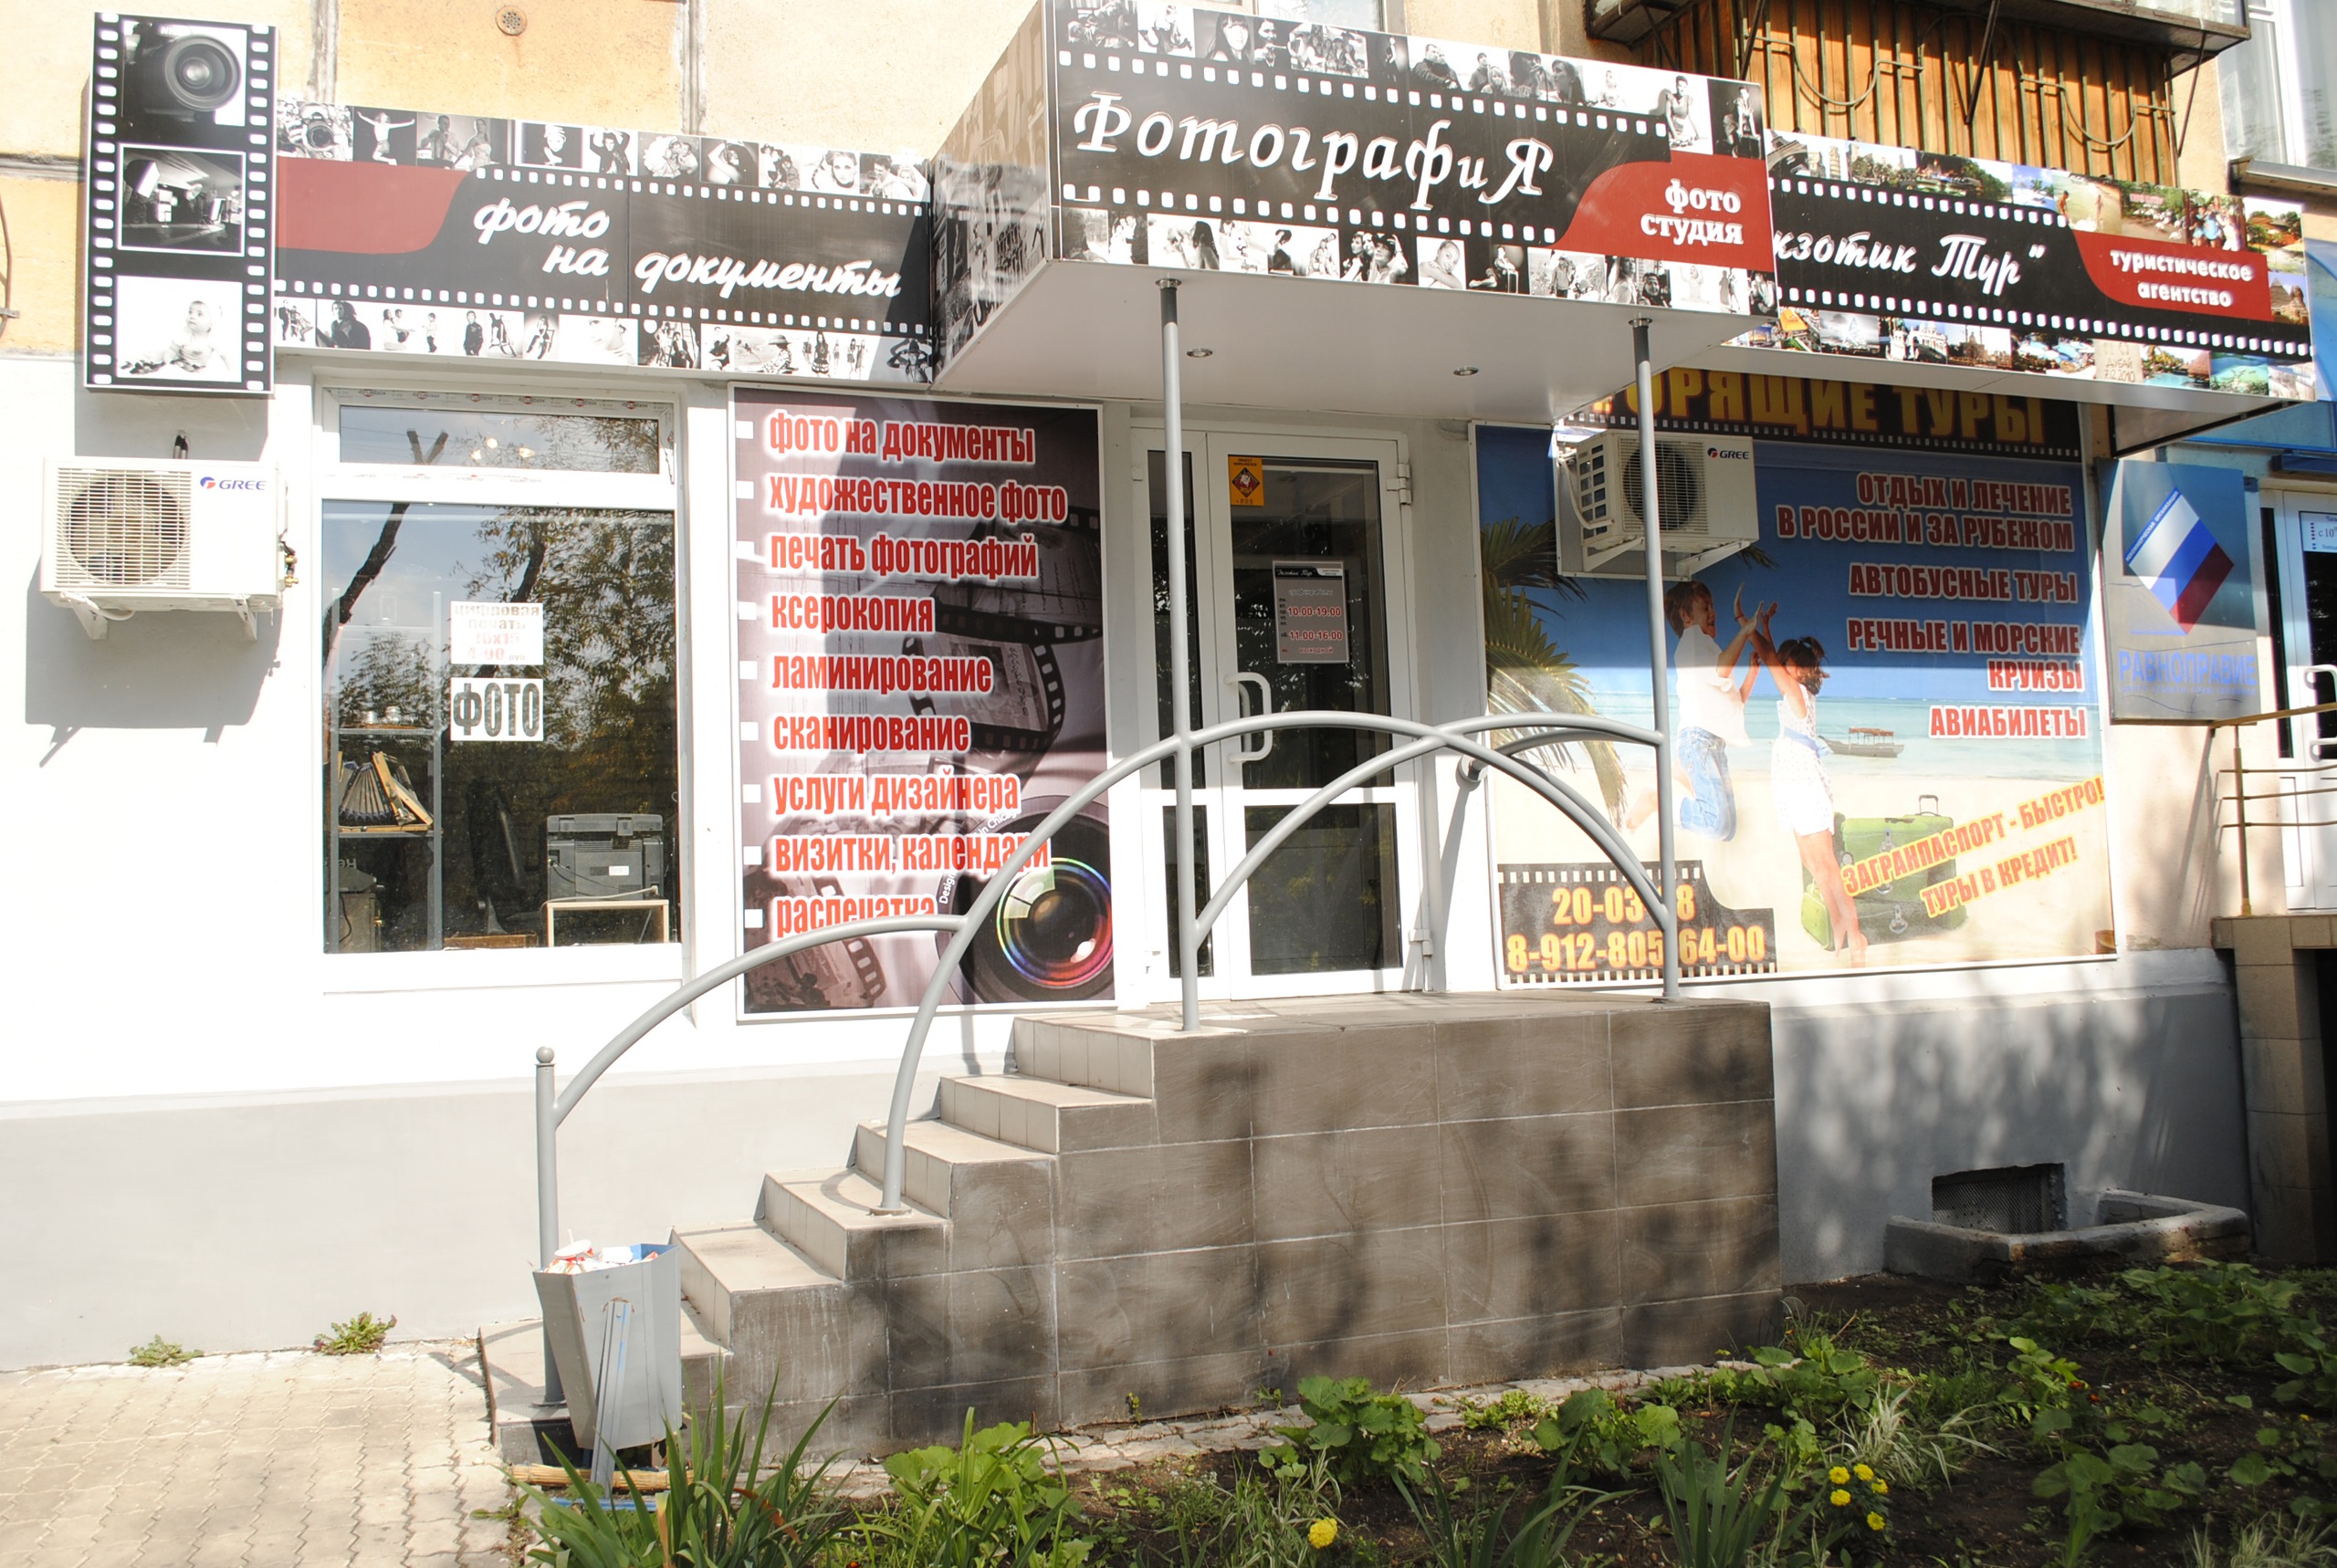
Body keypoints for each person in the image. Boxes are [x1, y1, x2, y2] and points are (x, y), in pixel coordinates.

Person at [1762, 633, 1866, 963]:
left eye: (1788, 664)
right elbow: (1772, 659)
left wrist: (1748, 627)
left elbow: (1769, 659)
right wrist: (1764, 628)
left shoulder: (1798, 693)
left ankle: (1856, 935)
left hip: (1805, 781)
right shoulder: (1793, 692)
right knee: (1811, 862)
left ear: (1801, 669)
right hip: (1792, 780)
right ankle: (1838, 924)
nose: (1782, 669)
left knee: (1826, 864)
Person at [1637, 582, 1768, 841]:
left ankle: (1680, 774)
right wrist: (1744, 632)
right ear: (1686, 617)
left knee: (1727, 830)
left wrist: (1752, 674)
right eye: (1705, 608)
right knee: (1716, 825)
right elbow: (1722, 669)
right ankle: (1657, 801)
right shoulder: (1693, 641)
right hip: (1699, 741)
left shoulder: (1707, 649)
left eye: (1712, 607)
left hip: (1712, 743)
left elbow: (1734, 705)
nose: (1713, 613)